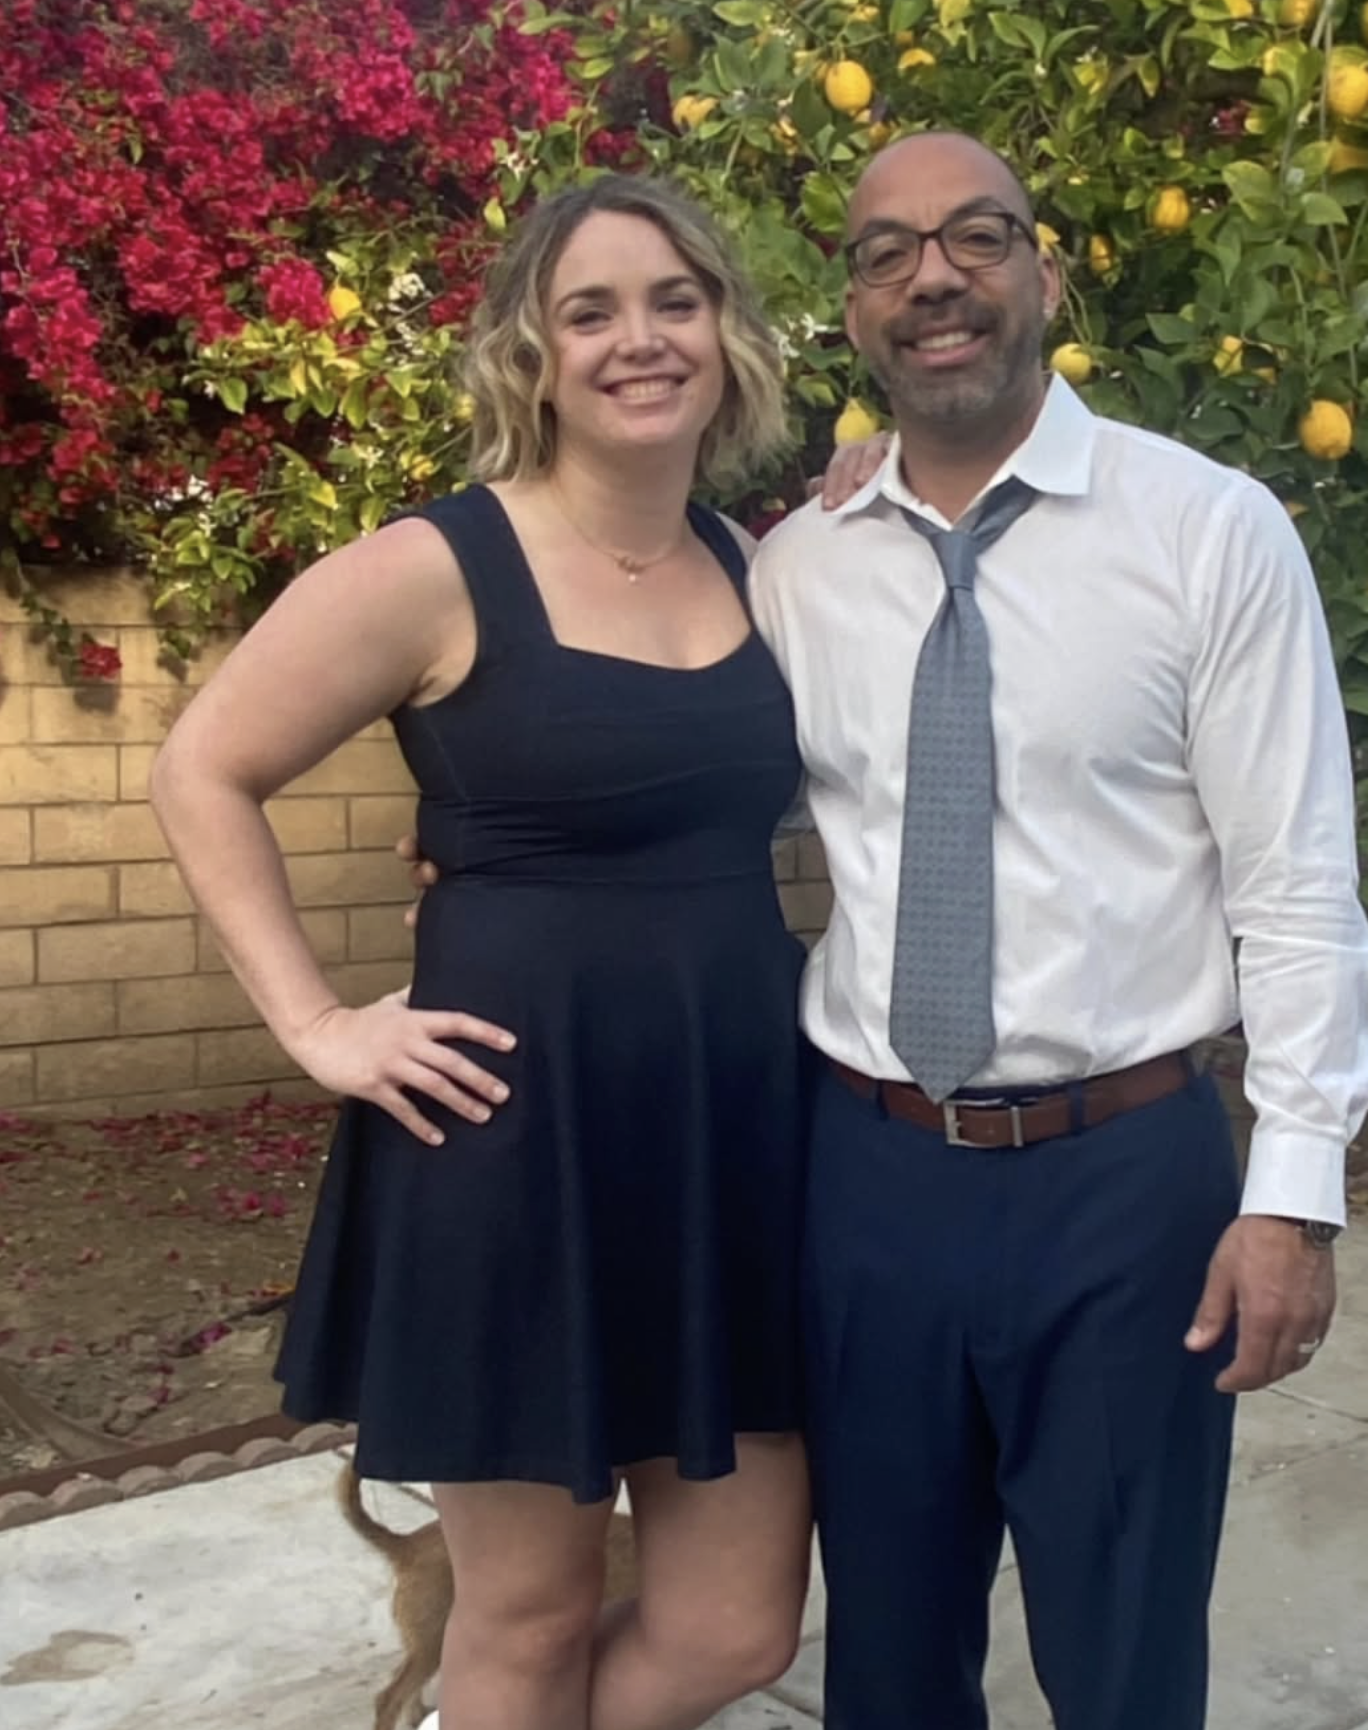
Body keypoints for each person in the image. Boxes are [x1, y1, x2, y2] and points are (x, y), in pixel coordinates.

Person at [150, 175, 813, 1730]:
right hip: (509, 1146)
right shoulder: (438, 566)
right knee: (526, 1610)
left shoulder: (760, 560)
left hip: (728, 1136)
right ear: (533, 350)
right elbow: (203, 769)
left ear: (724, 330)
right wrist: (317, 1022)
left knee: (737, 1622)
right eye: (591, 310)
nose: (638, 339)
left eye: (674, 299)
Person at [745, 131, 1368, 1730]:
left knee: (1124, 1653)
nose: (932, 277)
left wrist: (1294, 1194)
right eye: (887, 251)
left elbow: (1297, 886)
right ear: (853, 304)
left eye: (975, 236)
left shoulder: (1209, 531)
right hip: (869, 1177)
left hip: (1126, 1188)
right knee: (885, 1657)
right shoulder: (794, 567)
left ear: (1047, 267)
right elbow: (653, 768)